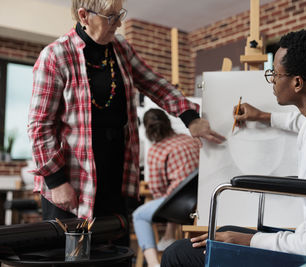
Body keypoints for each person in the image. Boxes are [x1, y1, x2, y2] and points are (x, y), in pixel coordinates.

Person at [161, 29, 306, 266]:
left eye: (275, 75)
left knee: (179, 253)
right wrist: (264, 116)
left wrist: (252, 240)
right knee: (225, 230)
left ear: (297, 82)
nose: (272, 80)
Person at [27, 0, 225, 247]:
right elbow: (39, 126)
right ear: (84, 16)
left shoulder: (120, 47)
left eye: (119, 14)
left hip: (115, 173)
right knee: (71, 256)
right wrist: (56, 181)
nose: (119, 23)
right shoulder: (55, 56)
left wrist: (189, 116)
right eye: (111, 16)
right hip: (72, 181)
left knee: (115, 251)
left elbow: (154, 83)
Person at [133, 108, 201, 267]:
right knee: (174, 194)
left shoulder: (156, 151)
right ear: (168, 122)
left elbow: (157, 190)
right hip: (199, 200)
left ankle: (152, 263)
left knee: (139, 215)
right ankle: (168, 238)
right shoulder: (188, 139)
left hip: (178, 205)